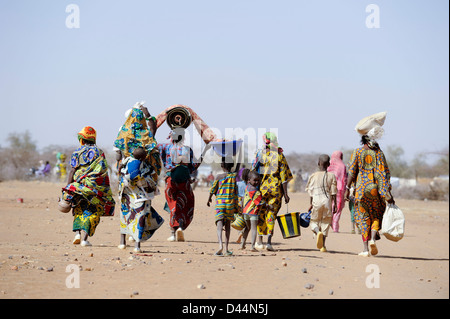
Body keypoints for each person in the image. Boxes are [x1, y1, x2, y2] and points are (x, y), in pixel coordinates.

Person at [61, 126, 115, 247]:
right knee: (93, 211)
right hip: (95, 187)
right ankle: (85, 239)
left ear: (81, 139)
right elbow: (103, 171)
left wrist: (68, 187)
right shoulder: (100, 152)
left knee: (78, 208)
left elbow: (72, 171)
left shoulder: (76, 152)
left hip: (79, 185)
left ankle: (77, 234)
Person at [345, 134, 395, 257]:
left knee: (364, 218)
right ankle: (373, 239)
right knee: (376, 216)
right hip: (377, 191)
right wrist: (388, 194)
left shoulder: (357, 152)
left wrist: (347, 188)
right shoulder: (379, 153)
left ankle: (366, 249)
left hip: (362, 190)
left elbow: (352, 172)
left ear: (363, 141)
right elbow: (385, 174)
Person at [157, 128, 211, 242]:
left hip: (170, 180)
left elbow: (151, 145)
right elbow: (194, 166)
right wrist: (205, 149)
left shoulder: (165, 147)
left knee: (173, 205)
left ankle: (172, 232)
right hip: (185, 181)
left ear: (171, 137)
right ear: (184, 137)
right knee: (184, 204)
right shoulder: (187, 150)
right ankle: (180, 227)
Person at [252, 132, 293, 251]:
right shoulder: (280, 155)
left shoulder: (259, 154)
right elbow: (284, 177)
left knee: (260, 214)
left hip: (261, 189)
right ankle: (269, 242)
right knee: (271, 215)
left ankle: (259, 242)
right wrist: (285, 194)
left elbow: (253, 170)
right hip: (276, 190)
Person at [207, 159, 239, 256]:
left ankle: (220, 245)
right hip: (230, 204)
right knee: (228, 225)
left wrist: (209, 199)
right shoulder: (233, 177)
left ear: (222, 166)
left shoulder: (218, 177)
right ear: (231, 166)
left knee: (219, 224)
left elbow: (213, 189)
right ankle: (226, 248)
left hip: (220, 204)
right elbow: (236, 192)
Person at [305, 154, 337, 252]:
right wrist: (334, 204)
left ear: (318, 163)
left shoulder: (313, 176)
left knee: (314, 221)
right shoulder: (331, 176)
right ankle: (323, 246)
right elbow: (333, 192)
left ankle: (317, 231)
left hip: (316, 200)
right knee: (326, 222)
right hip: (327, 201)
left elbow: (310, 192)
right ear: (329, 164)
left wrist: (311, 204)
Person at [239, 170, 266, 252]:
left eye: (258, 180)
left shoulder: (247, 187)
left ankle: (242, 244)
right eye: (255, 180)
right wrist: (268, 205)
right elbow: (260, 203)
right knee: (254, 229)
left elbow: (243, 199)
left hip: (245, 212)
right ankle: (252, 247)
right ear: (249, 180)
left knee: (247, 228)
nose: (257, 182)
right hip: (253, 213)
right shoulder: (255, 191)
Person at [327, 151, 348, 232]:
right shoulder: (342, 166)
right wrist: (346, 191)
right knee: (337, 207)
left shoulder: (328, 165)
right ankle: (335, 225)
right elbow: (344, 179)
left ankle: (329, 221)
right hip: (339, 189)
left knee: (329, 206)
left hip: (328, 188)